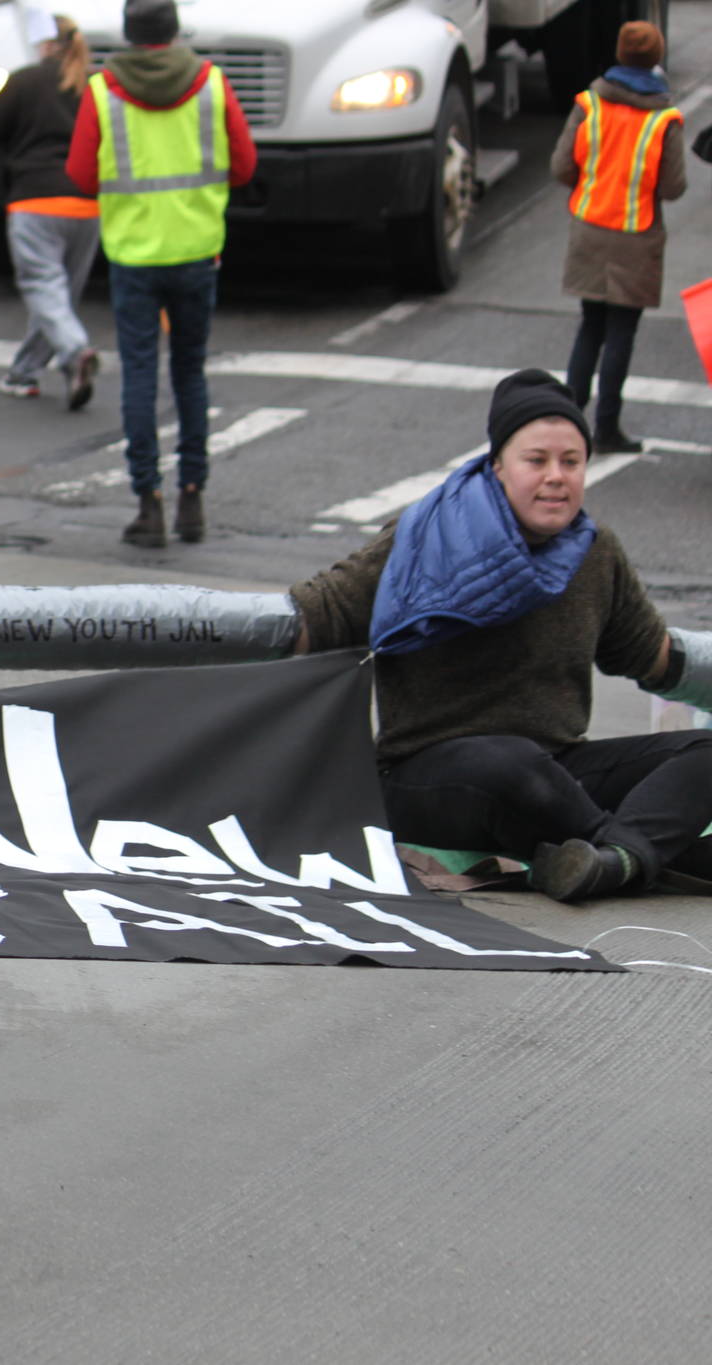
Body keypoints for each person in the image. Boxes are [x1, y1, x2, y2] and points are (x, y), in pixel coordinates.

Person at [291, 369, 712, 904]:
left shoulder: (596, 550)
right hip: (430, 775)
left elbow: (652, 657)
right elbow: (315, 615)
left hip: (557, 768)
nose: (556, 476)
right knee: (512, 765)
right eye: (536, 461)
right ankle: (645, 854)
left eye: (572, 462)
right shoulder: (424, 533)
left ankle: (615, 861)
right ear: (497, 467)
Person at [68, 0, 255, 547]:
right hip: (197, 251)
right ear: (174, 30)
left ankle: (147, 504)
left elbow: (81, 173)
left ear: (129, 33)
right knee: (190, 374)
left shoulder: (103, 91)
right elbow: (244, 165)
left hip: (134, 258)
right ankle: (192, 498)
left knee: (140, 378)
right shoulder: (212, 84)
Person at [552, 20, 684, 457]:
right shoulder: (664, 118)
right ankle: (606, 426)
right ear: (656, 58)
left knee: (590, 325)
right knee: (621, 333)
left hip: (589, 228)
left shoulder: (590, 103)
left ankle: (569, 420)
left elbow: (561, 168)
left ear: (620, 54)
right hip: (636, 234)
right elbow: (672, 186)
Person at [0, 11, 99, 410]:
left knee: (43, 288)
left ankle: (75, 350)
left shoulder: (24, 81)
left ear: (45, 44)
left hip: (35, 199)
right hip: (86, 204)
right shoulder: (92, 88)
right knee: (57, 299)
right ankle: (24, 372)